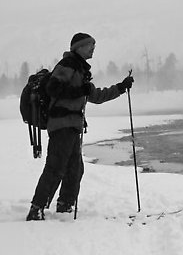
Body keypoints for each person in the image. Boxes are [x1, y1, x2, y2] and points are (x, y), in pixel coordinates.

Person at [26, 32, 134, 221]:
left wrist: (121, 87)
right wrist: (79, 91)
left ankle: (65, 205)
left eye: (94, 45)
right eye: (90, 45)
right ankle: (37, 209)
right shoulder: (67, 65)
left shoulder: (81, 70)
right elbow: (53, 88)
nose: (93, 48)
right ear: (79, 47)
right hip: (62, 125)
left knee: (75, 168)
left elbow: (96, 96)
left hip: (72, 126)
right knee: (56, 167)